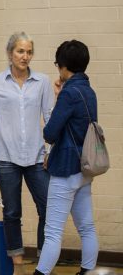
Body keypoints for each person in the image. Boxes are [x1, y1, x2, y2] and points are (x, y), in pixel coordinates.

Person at [0, 31, 53, 273]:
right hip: (6, 158)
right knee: (12, 212)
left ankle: (44, 262)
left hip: (37, 157)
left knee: (48, 207)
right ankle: (17, 264)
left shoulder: (42, 82)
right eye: (20, 51)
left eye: (29, 52)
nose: (25, 56)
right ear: (10, 53)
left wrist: (51, 150)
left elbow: (50, 118)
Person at [34, 40, 99, 275]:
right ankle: (87, 271)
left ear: (63, 66)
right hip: (84, 170)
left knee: (52, 232)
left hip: (65, 170)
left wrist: (58, 99)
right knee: (87, 227)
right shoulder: (89, 91)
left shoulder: (69, 93)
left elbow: (50, 132)